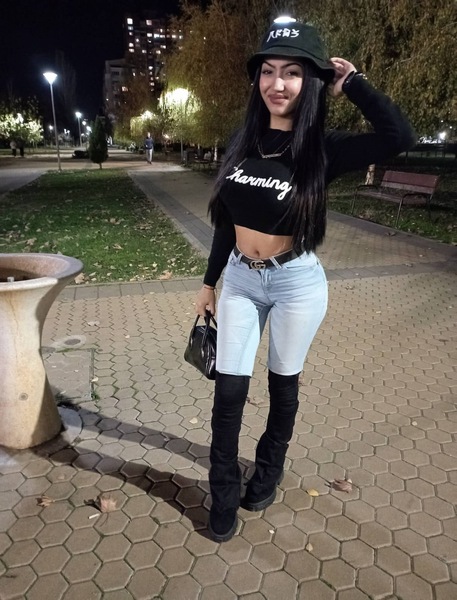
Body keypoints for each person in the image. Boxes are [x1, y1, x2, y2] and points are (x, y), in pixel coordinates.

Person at [194, 16, 416, 543]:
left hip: (295, 284)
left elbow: (399, 136)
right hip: (241, 281)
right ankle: (222, 491)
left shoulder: (324, 147)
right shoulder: (243, 139)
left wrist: (353, 83)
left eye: (292, 72)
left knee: (282, 385)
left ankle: (268, 471)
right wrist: (209, 282)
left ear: (310, 80)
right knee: (228, 392)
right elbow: (226, 220)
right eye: (268, 71)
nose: (277, 83)